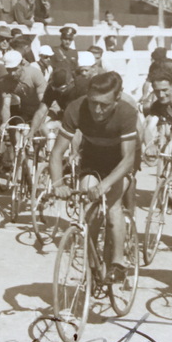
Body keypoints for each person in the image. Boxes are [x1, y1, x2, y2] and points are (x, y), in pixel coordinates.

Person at [50, 70, 139, 275]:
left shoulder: (126, 112)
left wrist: (105, 184)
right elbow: (56, 153)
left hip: (121, 159)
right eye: (93, 102)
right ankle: (93, 267)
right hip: (93, 155)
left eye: (104, 105)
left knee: (113, 205)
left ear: (117, 99)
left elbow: (128, 160)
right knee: (89, 209)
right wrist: (57, 184)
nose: (97, 110)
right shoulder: (76, 108)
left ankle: (118, 263)